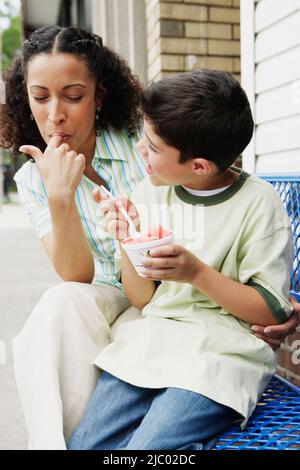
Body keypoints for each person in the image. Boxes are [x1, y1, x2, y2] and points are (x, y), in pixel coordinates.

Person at [0, 27, 298, 450]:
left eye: (73, 95)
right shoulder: (50, 175)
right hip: (133, 311)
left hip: (190, 326)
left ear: (99, 95)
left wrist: (270, 298)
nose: (55, 115)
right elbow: (82, 277)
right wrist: (63, 199)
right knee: (55, 310)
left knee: (145, 447)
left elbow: (255, 277)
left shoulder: (148, 150)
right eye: (40, 96)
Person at [67, 70, 296, 451]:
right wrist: (128, 240)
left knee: (144, 450)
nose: (141, 149)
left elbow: (269, 312)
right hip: (154, 342)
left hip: (222, 354)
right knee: (85, 444)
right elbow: (144, 301)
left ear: (200, 165)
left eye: (154, 147)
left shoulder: (259, 204)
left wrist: (196, 273)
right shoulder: (150, 193)